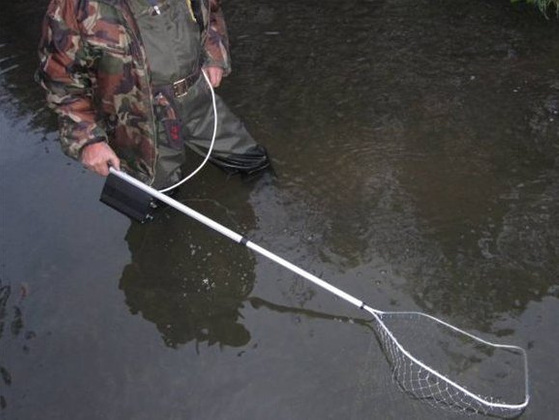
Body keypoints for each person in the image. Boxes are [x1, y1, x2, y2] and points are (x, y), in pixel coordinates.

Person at [36, 0, 269, 190]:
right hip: (138, 122)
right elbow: (61, 80)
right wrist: (88, 141)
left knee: (254, 163)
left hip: (199, 97)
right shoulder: (73, 6)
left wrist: (214, 54)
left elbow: (211, 11)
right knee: (155, 200)